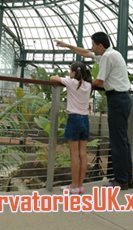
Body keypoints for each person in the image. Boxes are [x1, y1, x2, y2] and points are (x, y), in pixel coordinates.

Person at [55, 32, 133, 190]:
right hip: (123, 99)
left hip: (117, 99)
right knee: (123, 141)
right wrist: (67, 46)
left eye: (93, 45)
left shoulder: (106, 57)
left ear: (100, 45)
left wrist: (82, 85)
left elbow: (99, 81)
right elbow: (85, 53)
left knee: (118, 142)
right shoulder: (112, 53)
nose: (91, 48)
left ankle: (121, 181)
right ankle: (127, 179)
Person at [50, 61, 92, 195]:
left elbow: (53, 78)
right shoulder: (89, 85)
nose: (69, 73)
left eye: (70, 71)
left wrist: (58, 75)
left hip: (74, 119)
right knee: (83, 153)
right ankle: (79, 186)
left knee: (74, 154)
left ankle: (74, 186)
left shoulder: (71, 82)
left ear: (74, 72)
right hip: (85, 120)